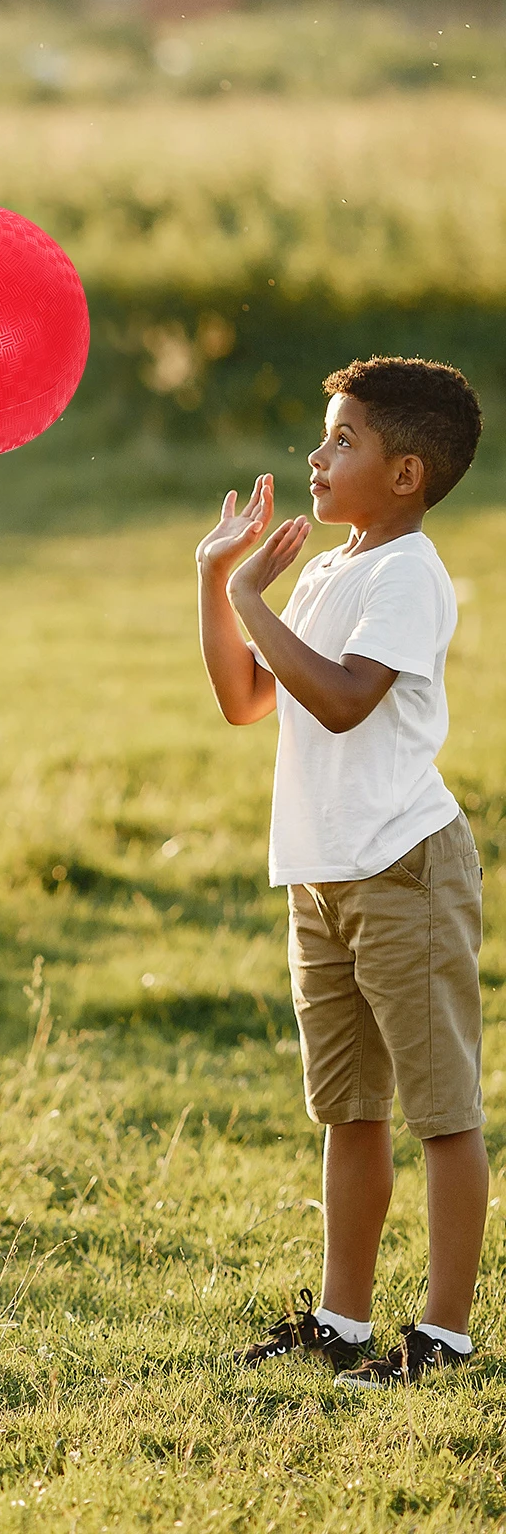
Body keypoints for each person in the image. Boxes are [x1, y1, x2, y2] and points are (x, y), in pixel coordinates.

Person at [196, 356, 486, 1388]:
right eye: (322, 436)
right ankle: (342, 1321)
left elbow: (340, 698)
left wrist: (248, 600)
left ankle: (442, 1338)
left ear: (405, 473)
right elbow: (245, 700)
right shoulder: (326, 569)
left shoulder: (406, 573)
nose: (316, 455)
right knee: (346, 1108)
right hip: (320, 875)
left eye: (342, 439)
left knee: (439, 1109)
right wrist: (215, 581)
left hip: (403, 868)